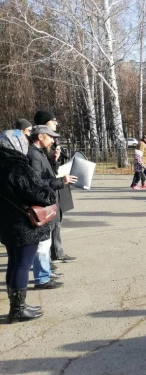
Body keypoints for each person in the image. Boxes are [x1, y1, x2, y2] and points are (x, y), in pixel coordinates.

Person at [0, 129, 57, 323]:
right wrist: (49, 193)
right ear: (16, 144)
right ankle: (18, 309)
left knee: (14, 263)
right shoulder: (17, 166)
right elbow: (37, 194)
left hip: (7, 223)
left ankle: (16, 306)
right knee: (22, 264)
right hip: (23, 224)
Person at [28, 126, 77, 289]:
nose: (53, 140)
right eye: (50, 137)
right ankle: (42, 278)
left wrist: (54, 162)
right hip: (40, 204)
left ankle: (45, 274)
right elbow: (36, 183)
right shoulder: (34, 154)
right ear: (40, 137)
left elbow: (47, 174)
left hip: (46, 203)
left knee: (45, 242)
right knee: (42, 244)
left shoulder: (40, 153)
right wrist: (61, 182)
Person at [34, 110, 76, 265]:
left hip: (58, 185)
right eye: (53, 120)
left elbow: (52, 167)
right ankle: (50, 260)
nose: (56, 123)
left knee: (57, 220)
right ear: (45, 124)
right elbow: (42, 175)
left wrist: (57, 159)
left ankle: (57, 252)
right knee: (50, 224)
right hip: (51, 187)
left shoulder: (50, 142)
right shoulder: (38, 148)